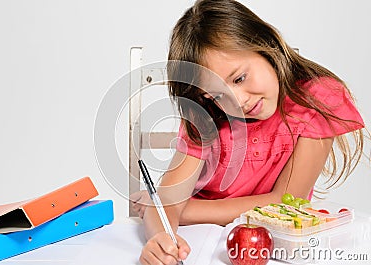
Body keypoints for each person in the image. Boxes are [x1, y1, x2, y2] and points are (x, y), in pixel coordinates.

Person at [130, 0, 366, 264]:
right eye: (217, 94)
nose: (238, 101)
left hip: (277, 247)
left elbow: (286, 202)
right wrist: (160, 239)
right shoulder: (206, 116)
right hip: (201, 241)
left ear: (267, 47)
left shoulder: (317, 99)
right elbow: (166, 205)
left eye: (239, 78)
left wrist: (184, 209)